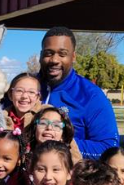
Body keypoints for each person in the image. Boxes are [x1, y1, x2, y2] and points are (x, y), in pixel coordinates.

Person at [37, 27, 119, 159]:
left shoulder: (91, 95)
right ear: (41, 55)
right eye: (48, 53)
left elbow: (109, 148)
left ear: (73, 56)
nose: (54, 60)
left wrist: (60, 143)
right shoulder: (25, 89)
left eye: (62, 54)